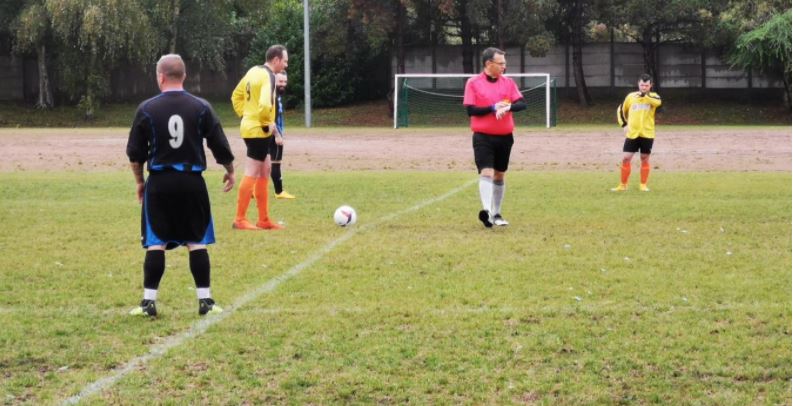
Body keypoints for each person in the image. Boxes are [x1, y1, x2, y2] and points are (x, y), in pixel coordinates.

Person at [126, 54, 235, 317]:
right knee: (196, 241)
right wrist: (230, 170)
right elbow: (218, 142)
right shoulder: (201, 106)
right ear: (184, 76)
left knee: (156, 242)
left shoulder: (147, 108)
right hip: (191, 183)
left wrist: (140, 182)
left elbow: (135, 153)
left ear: (160, 77)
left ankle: (148, 302)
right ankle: (205, 301)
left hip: (160, 183)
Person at [463, 47, 527, 228]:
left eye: (504, 63)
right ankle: (487, 212)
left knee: (499, 175)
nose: (504, 67)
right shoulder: (473, 83)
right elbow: (471, 110)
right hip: (483, 137)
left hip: (505, 137)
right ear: (488, 64)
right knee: (486, 172)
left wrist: (508, 108)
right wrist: (492, 107)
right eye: (501, 63)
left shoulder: (508, 83)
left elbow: (522, 104)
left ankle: (497, 213)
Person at [230, 44, 288, 230]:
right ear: (276, 60)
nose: (285, 66)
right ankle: (240, 219)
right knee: (253, 170)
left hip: (252, 126)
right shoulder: (268, 75)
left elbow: (236, 96)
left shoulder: (253, 71)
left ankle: (264, 220)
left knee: (265, 170)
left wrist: (246, 115)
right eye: (285, 61)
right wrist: (265, 123)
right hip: (258, 129)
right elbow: (264, 104)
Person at [612, 74, 663, 192]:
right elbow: (620, 110)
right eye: (642, 85)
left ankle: (643, 184)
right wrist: (624, 124)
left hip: (647, 133)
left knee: (644, 158)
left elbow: (657, 103)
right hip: (632, 133)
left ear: (651, 85)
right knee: (626, 158)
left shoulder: (654, 96)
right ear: (638, 84)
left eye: (646, 85)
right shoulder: (631, 96)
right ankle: (622, 185)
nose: (644, 87)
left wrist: (645, 95)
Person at [270, 72, 296, 199]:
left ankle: (254, 190)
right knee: (276, 163)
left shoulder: (276, 96)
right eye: (280, 81)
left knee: (262, 164)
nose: (283, 85)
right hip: (273, 134)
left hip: (271, 133)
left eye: (285, 82)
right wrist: (277, 135)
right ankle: (279, 192)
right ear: (273, 80)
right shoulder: (272, 97)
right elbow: (270, 119)